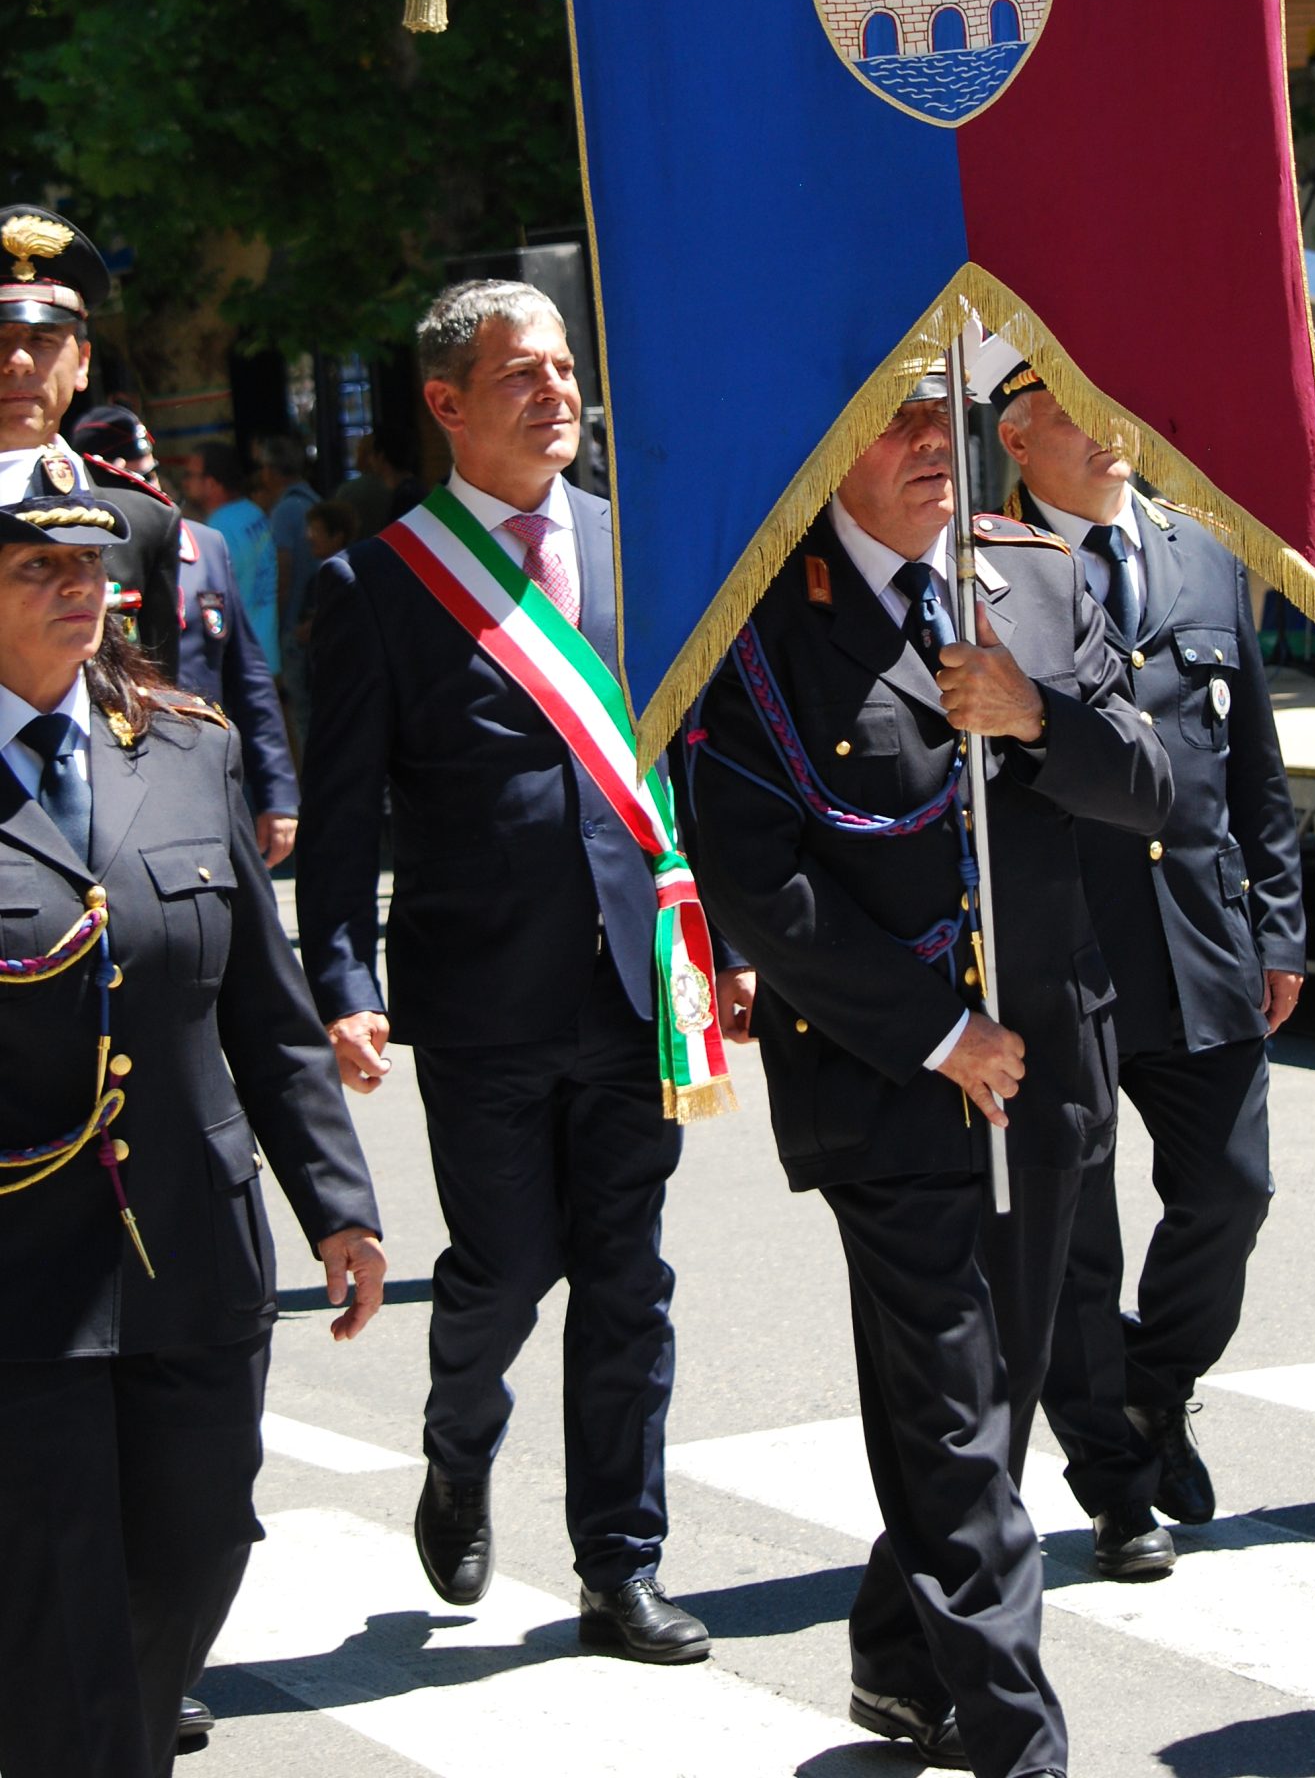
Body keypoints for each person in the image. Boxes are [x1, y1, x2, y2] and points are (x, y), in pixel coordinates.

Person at [688, 370, 1171, 1778]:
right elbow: (760, 885)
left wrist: (1032, 716)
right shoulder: (760, 622)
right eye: (892, 424)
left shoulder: (1024, 583)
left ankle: (898, 1653)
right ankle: (1020, 1740)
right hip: (890, 1084)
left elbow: (1145, 787)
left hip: (1046, 1069)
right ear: (823, 448)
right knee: (955, 1422)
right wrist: (934, 1032)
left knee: (991, 1401)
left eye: (938, 418)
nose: (928, 448)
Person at [296, 280, 711, 1664]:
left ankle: (620, 1564)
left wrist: (725, 947)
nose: (556, 392)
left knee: (626, 1278)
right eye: (518, 373)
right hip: (477, 996)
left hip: (635, 984)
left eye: (563, 367)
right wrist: (343, 978)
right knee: (508, 1265)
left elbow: (685, 765)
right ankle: (459, 1435)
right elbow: (343, 815)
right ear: (445, 405)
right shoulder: (374, 583)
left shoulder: (635, 546)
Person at [0, 488, 383, 1778]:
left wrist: (338, 1200)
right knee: (55, 1584)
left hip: (190, 1244)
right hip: (17, 1275)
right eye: (37, 566)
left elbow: (269, 1007)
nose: (78, 588)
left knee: (201, 1540)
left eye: (90, 565)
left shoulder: (188, 748)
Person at [974, 341, 1303, 1578]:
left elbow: (1255, 764)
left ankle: (1150, 1391)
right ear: (1014, 435)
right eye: (1072, 401)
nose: (1110, 422)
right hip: (1066, 943)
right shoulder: (986, 576)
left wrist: (1276, 924)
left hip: (1202, 940)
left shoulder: (1201, 550)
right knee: (1079, 1237)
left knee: (1231, 1188)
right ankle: (1114, 1484)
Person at [69, 409, 299, 871]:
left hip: (210, 778)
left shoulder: (206, 546)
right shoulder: (78, 566)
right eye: (123, 483)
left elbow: (246, 675)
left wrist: (277, 792)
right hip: (118, 783)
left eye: (147, 477)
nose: (142, 495)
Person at [0, 211, 181, 677]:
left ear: (82, 363)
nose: (18, 361)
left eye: (41, 339)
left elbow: (158, 704)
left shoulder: (140, 517)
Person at [179, 444, 280, 677]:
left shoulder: (218, 531)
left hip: (239, 662)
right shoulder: (252, 512)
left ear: (212, 483)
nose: (185, 483)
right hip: (267, 653)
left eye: (190, 476)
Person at [255, 431, 320, 747]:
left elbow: (283, 569)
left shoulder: (285, 510)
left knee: (302, 718)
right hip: (314, 620)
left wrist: (277, 622)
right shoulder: (312, 499)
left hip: (296, 626)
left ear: (270, 470)